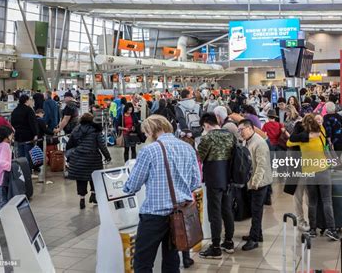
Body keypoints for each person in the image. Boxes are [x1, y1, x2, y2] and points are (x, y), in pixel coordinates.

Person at [123, 115, 201, 272]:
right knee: (171, 260)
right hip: (179, 214)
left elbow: (134, 184)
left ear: (152, 130)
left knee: (143, 261)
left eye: (145, 132)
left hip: (154, 215)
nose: (145, 136)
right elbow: (195, 182)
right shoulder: (188, 147)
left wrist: (127, 188)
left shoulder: (149, 150)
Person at [286, 114, 340, 241]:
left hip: (309, 172)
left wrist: (305, 136)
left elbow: (289, 141)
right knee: (327, 201)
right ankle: (331, 229)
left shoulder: (301, 139)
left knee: (313, 202)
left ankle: (312, 230)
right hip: (323, 170)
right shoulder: (321, 131)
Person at [198, 113, 236, 259]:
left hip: (214, 178)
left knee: (215, 213)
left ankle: (215, 247)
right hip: (228, 177)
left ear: (207, 124)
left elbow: (200, 156)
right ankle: (229, 242)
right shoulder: (230, 135)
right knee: (227, 210)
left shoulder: (208, 137)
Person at [237, 119, 273, 250]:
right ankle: (258, 234)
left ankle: (254, 239)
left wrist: (255, 183)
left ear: (250, 128)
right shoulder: (248, 140)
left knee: (256, 211)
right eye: (239, 131)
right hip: (252, 181)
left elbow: (261, 166)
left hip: (259, 183)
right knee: (254, 210)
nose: (240, 133)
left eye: (242, 130)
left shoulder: (259, 143)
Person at [66, 113, 111, 209]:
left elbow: (69, 144)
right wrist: (107, 156)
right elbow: (101, 145)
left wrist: (70, 156)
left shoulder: (76, 129)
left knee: (81, 179)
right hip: (93, 158)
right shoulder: (95, 130)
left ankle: (82, 199)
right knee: (94, 177)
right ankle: (93, 195)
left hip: (78, 158)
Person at [11, 95, 38, 159]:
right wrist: (35, 133)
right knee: (29, 156)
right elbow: (33, 123)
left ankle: (21, 168)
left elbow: (12, 123)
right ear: (26, 101)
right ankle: (28, 168)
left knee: (20, 156)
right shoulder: (29, 110)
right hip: (28, 136)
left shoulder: (15, 111)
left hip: (18, 136)